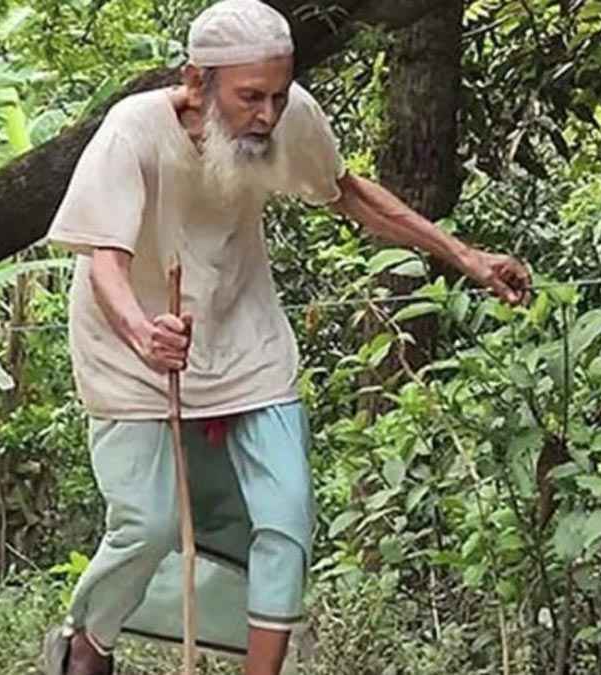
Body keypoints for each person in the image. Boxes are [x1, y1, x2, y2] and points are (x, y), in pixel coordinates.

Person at [41, 1, 531, 674]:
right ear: (196, 80)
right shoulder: (132, 131)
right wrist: (142, 331)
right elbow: (104, 260)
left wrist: (466, 257)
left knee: (287, 518)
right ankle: (89, 642)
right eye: (250, 98)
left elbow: (348, 193)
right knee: (148, 524)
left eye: (277, 94)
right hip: (132, 351)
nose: (268, 114)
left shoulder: (288, 116)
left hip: (246, 341)